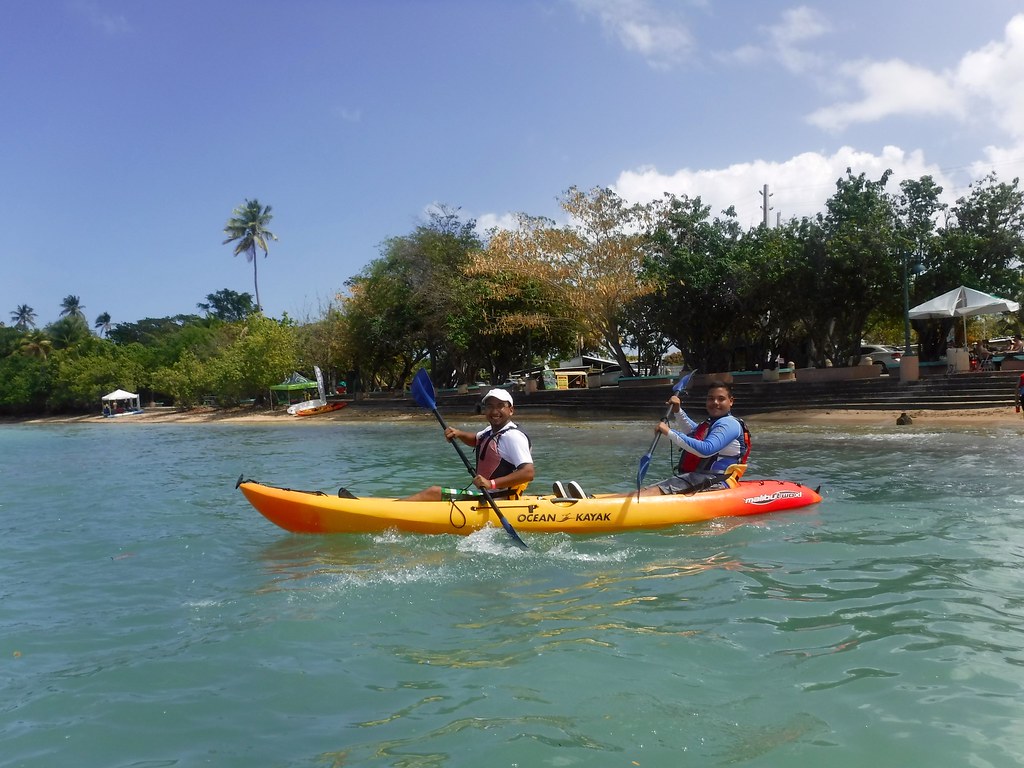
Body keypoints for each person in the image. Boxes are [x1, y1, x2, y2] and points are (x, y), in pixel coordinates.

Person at [403, 389, 534, 501]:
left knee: (434, 492)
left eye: (500, 406)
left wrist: (491, 483)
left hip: (500, 499)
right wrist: (459, 434)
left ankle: (390, 511)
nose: (494, 411)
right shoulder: (491, 430)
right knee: (433, 493)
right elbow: (477, 440)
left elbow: (528, 473)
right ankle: (394, 506)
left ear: (511, 410)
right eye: (490, 406)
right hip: (488, 495)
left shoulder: (513, 436)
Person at [635, 381, 750, 496]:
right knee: (648, 490)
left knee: (654, 491)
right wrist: (677, 411)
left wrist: (669, 432)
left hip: (717, 481)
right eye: (711, 398)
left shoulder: (729, 424)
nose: (715, 402)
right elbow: (693, 432)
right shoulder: (714, 422)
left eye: (721, 399)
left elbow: (706, 450)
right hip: (702, 478)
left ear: (730, 401)